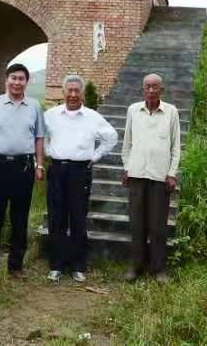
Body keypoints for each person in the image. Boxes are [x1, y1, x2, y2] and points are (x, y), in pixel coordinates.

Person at [43, 74, 118, 282]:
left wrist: (94, 156)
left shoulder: (93, 117)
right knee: (56, 216)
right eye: (70, 90)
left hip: (80, 172)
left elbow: (112, 137)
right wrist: (48, 151)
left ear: (82, 92)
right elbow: (39, 137)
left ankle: (78, 265)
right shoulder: (50, 115)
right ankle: (56, 265)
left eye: (77, 90)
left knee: (77, 217)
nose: (73, 94)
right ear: (63, 92)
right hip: (57, 170)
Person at [0, 63, 45, 277]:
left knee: (20, 218)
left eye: (21, 78)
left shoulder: (34, 106)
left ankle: (15, 266)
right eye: (13, 78)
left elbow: (38, 137)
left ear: (27, 82)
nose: (17, 82)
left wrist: (39, 164)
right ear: (6, 80)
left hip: (23, 166)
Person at [121, 73, 181, 283]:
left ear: (161, 90)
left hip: (159, 176)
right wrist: (127, 167)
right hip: (137, 174)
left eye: (155, 87)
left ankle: (158, 269)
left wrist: (172, 173)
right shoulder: (133, 111)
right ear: (142, 89)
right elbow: (127, 144)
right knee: (137, 224)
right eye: (147, 86)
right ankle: (135, 266)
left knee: (157, 226)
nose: (151, 90)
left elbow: (176, 147)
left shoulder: (171, 112)